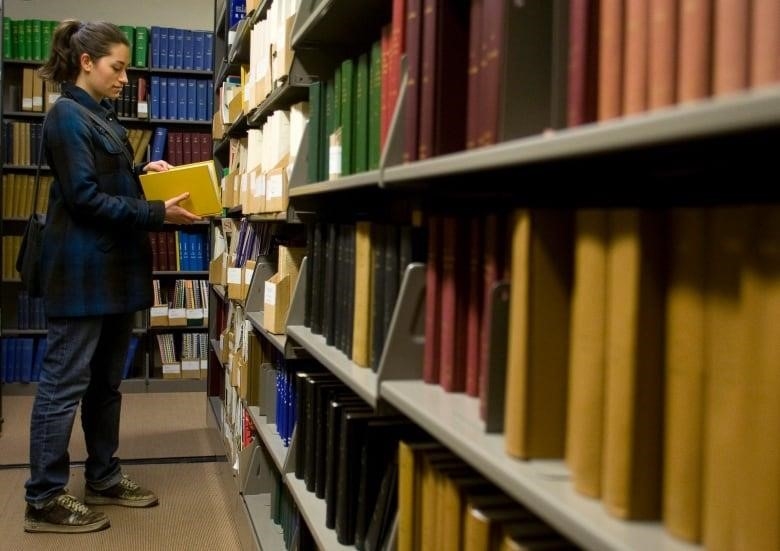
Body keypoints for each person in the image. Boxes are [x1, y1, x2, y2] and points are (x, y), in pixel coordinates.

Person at [24, 20, 201, 534]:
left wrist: (142, 175)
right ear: (86, 62)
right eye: (117, 68)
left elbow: (104, 181)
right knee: (63, 385)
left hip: (115, 271)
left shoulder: (100, 117)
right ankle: (44, 498)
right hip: (82, 273)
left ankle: (103, 475)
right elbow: (83, 198)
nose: (125, 79)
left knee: (105, 385)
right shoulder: (66, 118)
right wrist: (155, 212)